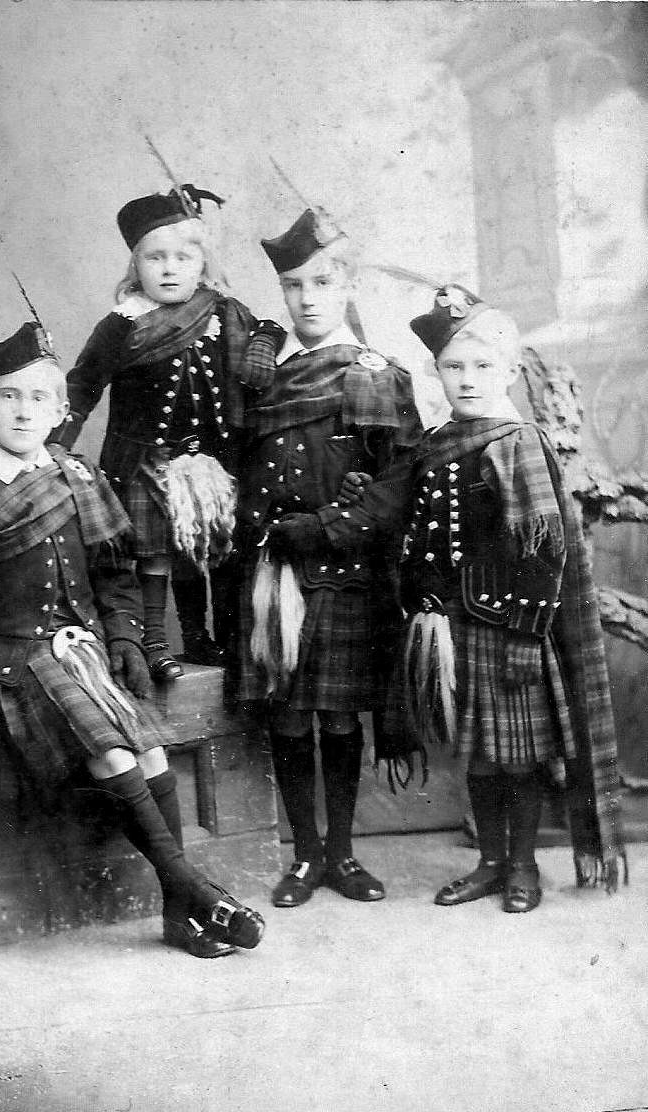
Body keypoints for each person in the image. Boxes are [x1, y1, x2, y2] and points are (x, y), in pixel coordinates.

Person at [0, 319, 265, 958]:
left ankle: (179, 911)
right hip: (15, 659)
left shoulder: (80, 477)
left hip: (84, 654)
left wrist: (124, 638)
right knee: (117, 757)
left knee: (152, 755)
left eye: (38, 398)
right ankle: (200, 894)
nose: (23, 411)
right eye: (8, 396)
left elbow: (115, 570)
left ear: (61, 410)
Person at [375, 284, 627, 912]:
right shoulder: (436, 444)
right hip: (452, 627)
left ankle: (522, 866)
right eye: (453, 366)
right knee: (481, 758)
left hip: (506, 627)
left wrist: (523, 637)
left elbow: (543, 549)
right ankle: (489, 862)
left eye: (482, 365)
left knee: (518, 757)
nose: (467, 379)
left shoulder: (515, 441)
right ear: (437, 372)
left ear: (510, 372)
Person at [232, 208, 423, 909]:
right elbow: (233, 463)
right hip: (274, 576)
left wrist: (324, 527)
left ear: (348, 284)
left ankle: (341, 854)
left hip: (344, 572)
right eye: (293, 285)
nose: (307, 298)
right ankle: (305, 858)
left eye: (322, 282)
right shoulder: (259, 376)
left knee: (339, 718)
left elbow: (399, 483)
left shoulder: (377, 375)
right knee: (287, 717)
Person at [49, 185, 256, 682]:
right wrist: (53, 447)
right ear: (135, 265)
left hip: (210, 462)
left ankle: (204, 637)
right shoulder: (123, 324)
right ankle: (156, 641)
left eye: (183, 257)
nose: (169, 269)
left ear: (202, 263)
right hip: (145, 460)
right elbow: (82, 385)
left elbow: (262, 344)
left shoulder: (222, 313)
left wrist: (267, 338)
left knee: (205, 547)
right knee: (156, 554)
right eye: (155, 257)